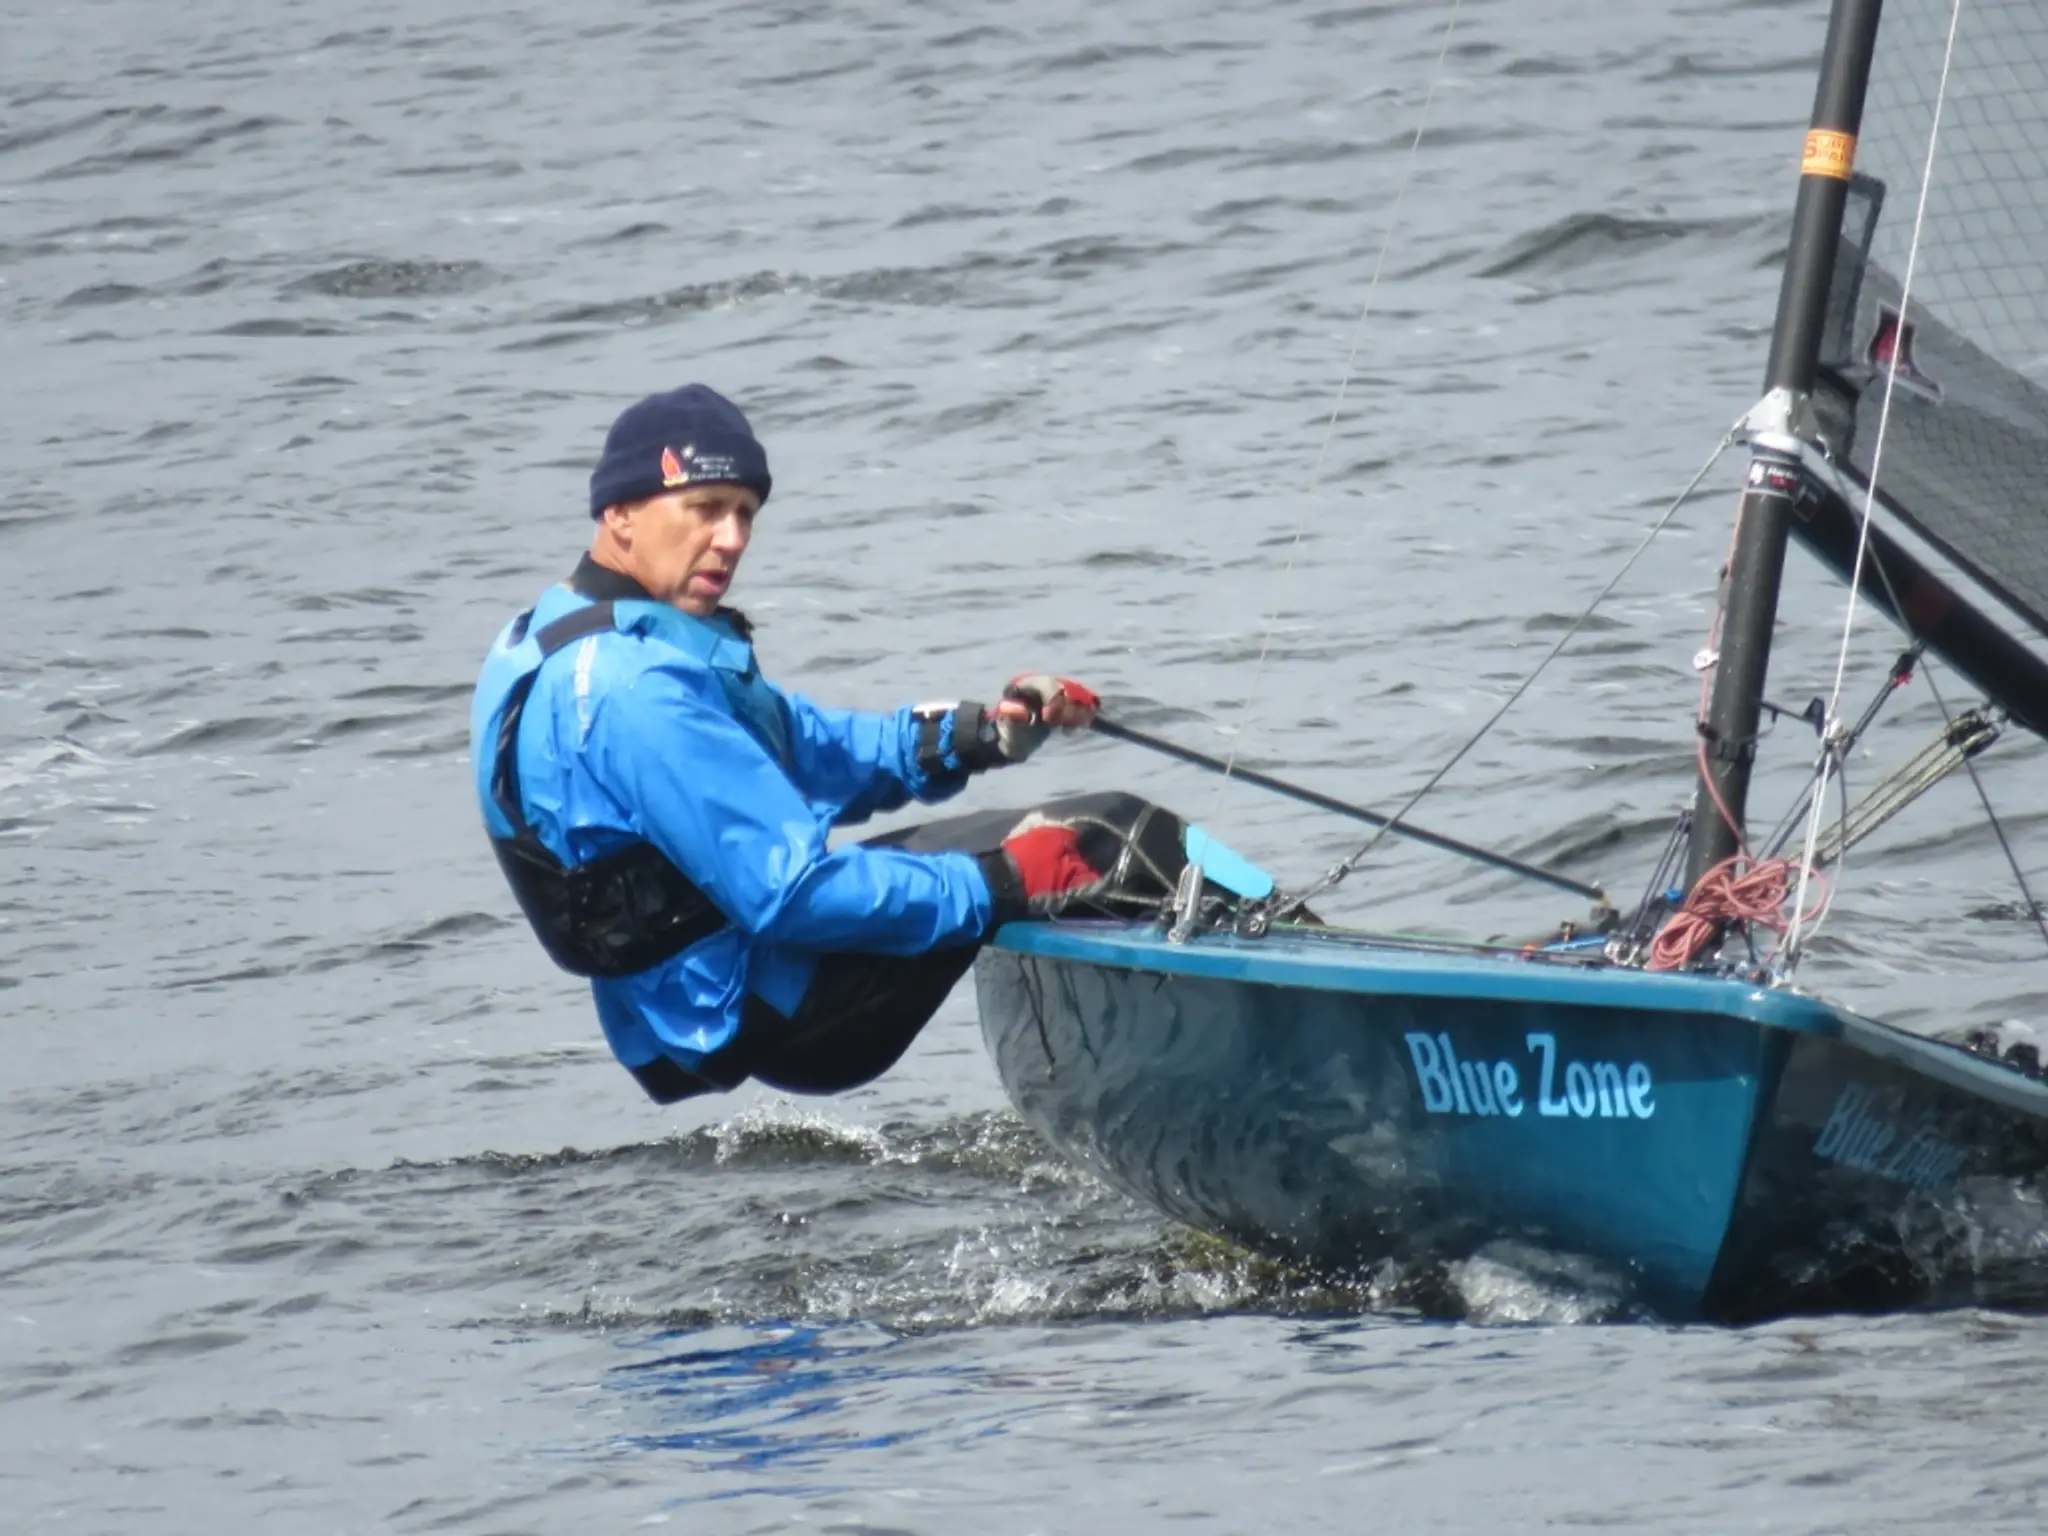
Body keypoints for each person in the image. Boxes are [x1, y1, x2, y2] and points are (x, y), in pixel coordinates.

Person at [469, 384, 1173, 1104]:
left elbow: (796, 745)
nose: (733, 539)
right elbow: (792, 895)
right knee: (1107, 836)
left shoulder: (556, 633)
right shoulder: (635, 690)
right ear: (619, 512)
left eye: (745, 513)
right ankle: (1268, 1033)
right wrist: (1002, 883)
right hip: (776, 1005)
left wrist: (982, 738)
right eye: (705, 510)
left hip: (697, 1008)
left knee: (1048, 850)